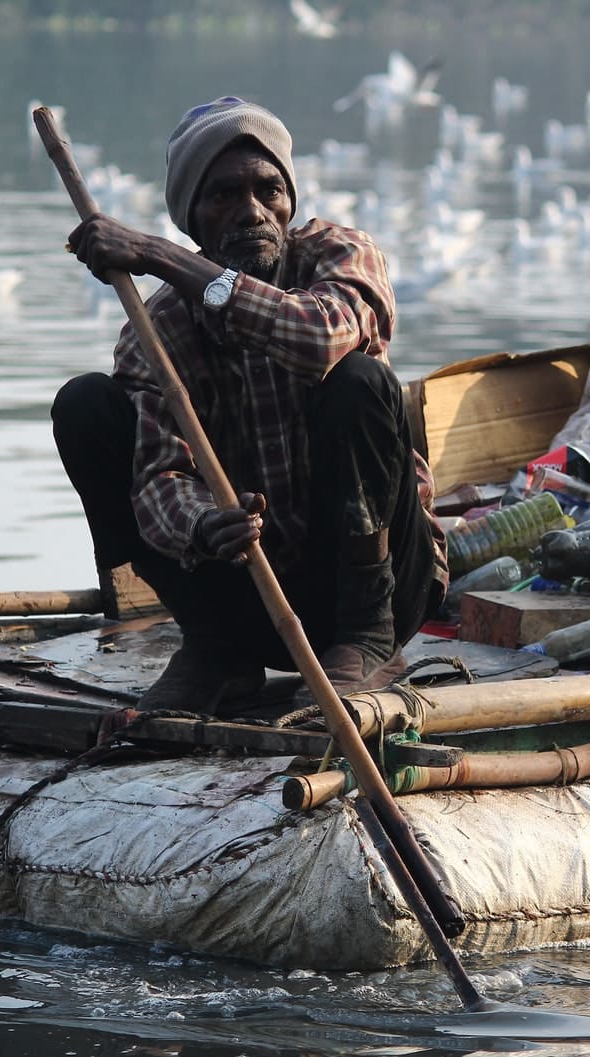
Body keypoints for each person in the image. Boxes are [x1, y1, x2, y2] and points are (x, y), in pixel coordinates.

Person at [52, 96, 445, 715]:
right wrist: (205, 525)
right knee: (85, 406)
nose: (252, 212)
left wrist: (157, 255)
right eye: (224, 196)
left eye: (268, 191)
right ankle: (216, 651)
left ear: (290, 199)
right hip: (251, 594)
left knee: (359, 380)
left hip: (384, 586)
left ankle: (366, 640)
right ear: (194, 219)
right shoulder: (159, 331)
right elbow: (158, 476)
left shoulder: (339, 256)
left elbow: (322, 338)